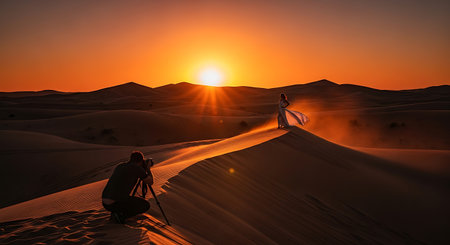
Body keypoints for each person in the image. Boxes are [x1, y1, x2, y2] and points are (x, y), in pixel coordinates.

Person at [102, 151, 154, 224]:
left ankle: (117, 213)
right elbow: (150, 182)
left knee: (126, 199)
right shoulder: (137, 168)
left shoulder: (120, 166)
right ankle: (123, 216)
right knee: (145, 205)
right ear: (141, 161)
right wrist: (148, 169)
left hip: (105, 203)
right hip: (115, 203)